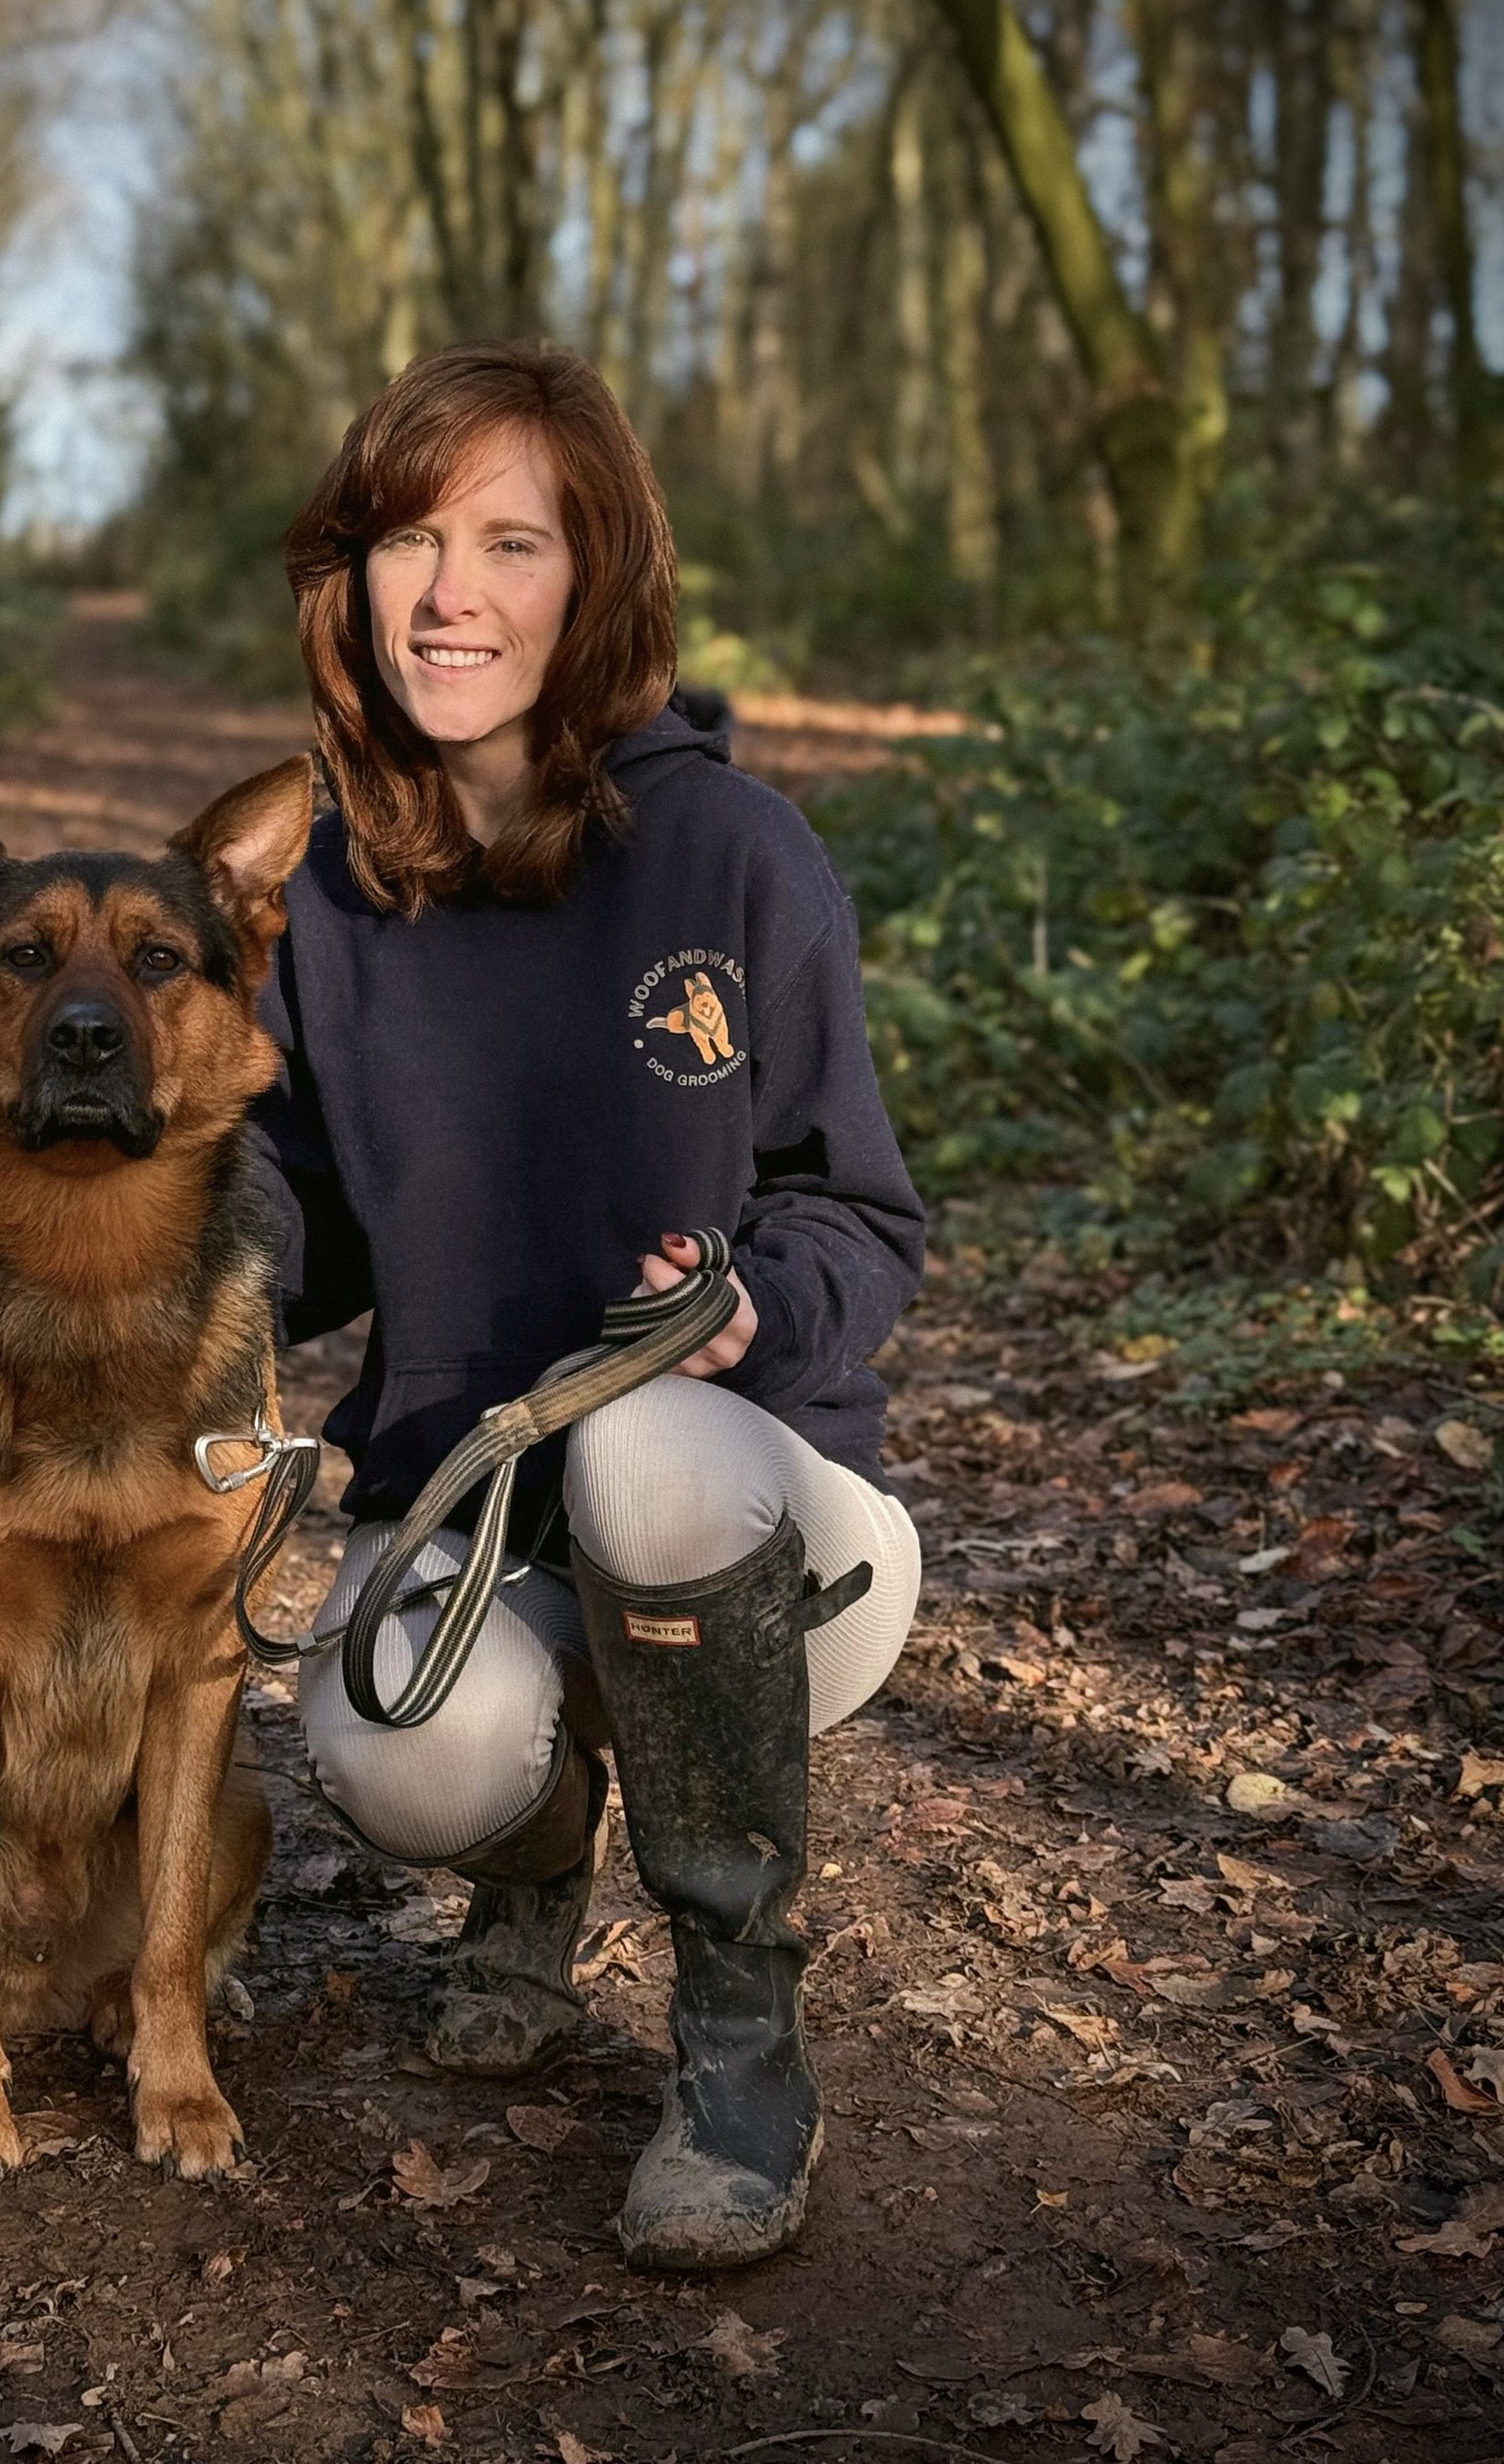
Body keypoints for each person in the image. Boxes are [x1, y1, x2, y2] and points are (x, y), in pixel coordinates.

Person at [245, 340, 924, 2272]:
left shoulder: (730, 853)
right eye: (403, 540)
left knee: (647, 1444)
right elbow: (289, 1215)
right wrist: (179, 1271)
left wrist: (746, 1312)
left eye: (509, 542)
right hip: (486, 1520)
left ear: (596, 574)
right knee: (396, 1748)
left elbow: (855, 1214)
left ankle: (735, 2030)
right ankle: (528, 1895)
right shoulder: (320, 896)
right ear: (346, 577)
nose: (444, 595)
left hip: (761, 1521)